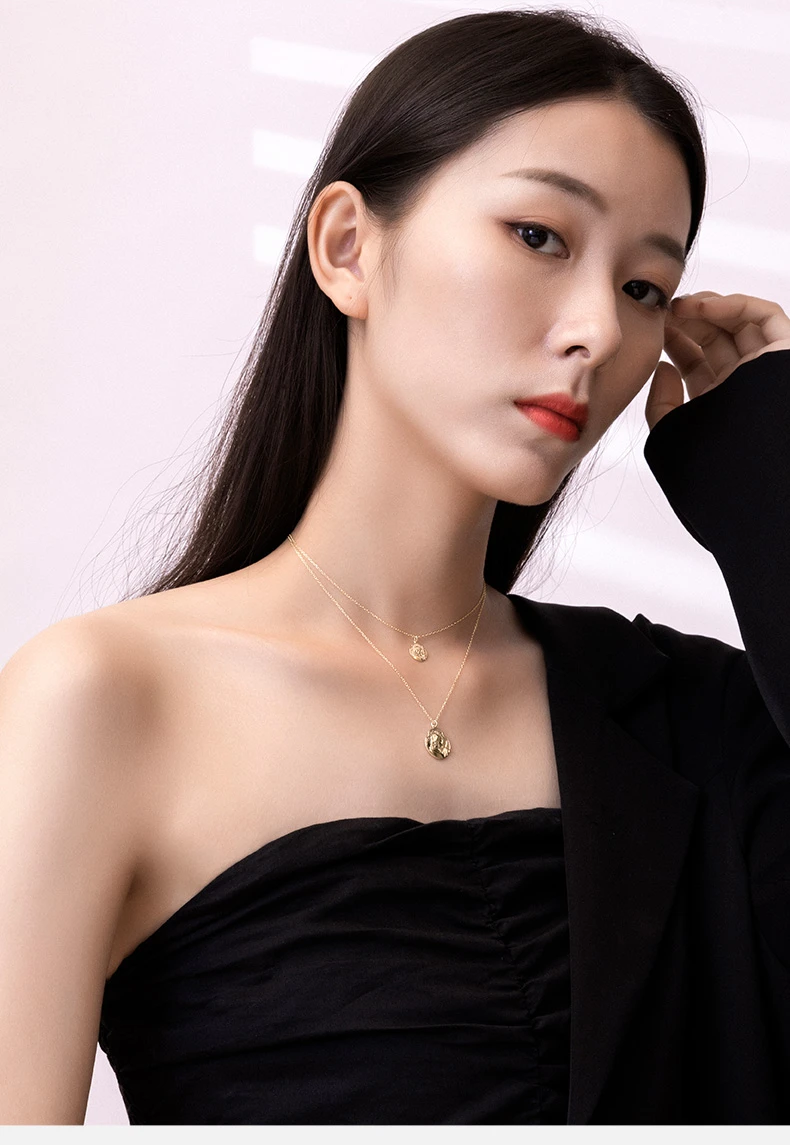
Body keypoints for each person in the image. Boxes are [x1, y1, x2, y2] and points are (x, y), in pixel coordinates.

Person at [1, 6, 789, 1127]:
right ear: (347, 247)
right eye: (539, 235)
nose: (598, 333)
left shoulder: (693, 717)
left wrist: (770, 478)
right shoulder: (101, 698)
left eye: (643, 288)